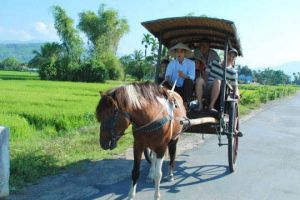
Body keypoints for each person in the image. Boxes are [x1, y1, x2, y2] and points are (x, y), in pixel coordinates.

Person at [165, 42, 195, 108]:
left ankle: (185, 103)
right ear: (175, 53)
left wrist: (184, 76)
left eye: (181, 51)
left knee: (189, 81)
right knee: (164, 83)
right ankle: (164, 103)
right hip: (173, 87)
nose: (179, 53)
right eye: (177, 52)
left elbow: (192, 77)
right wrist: (169, 79)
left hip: (186, 89)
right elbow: (167, 76)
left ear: (184, 53)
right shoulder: (171, 64)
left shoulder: (191, 63)